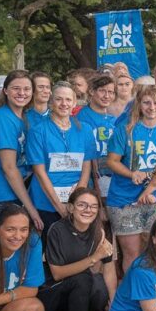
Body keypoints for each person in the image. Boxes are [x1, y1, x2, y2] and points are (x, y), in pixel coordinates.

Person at [106, 85, 156, 273]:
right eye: (146, 102)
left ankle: (149, 291)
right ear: (138, 104)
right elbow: (112, 162)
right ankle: (131, 295)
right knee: (132, 253)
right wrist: (132, 174)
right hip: (124, 199)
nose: (152, 107)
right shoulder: (125, 129)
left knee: (150, 250)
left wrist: (152, 188)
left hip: (152, 199)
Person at [38, 188, 117, 311]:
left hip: (77, 291)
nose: (88, 210)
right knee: (83, 278)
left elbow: (109, 269)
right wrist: (94, 257)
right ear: (71, 208)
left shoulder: (98, 231)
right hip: (52, 291)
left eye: (93, 206)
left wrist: (113, 301)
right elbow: (57, 274)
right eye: (82, 205)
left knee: (100, 289)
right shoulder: (57, 230)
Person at [0, 70, 42, 237]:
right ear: (5, 91)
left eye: (27, 89)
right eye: (16, 88)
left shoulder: (22, 118)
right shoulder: (3, 119)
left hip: (13, 192)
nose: (22, 93)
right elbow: (9, 168)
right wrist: (30, 208)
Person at [27, 82, 95, 237]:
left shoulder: (85, 130)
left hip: (78, 202)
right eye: (59, 99)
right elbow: (39, 172)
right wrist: (60, 207)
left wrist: (78, 197)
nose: (64, 104)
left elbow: (87, 166)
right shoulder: (38, 131)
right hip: (46, 203)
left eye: (68, 100)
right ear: (51, 102)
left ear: (74, 103)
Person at [77, 75, 117, 200]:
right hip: (88, 174)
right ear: (92, 91)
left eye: (110, 92)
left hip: (110, 173)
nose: (106, 96)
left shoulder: (113, 120)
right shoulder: (80, 118)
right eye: (102, 91)